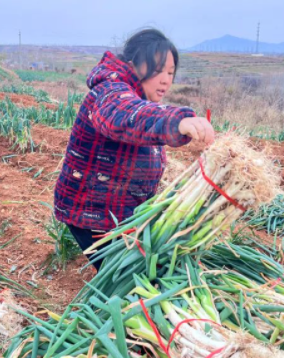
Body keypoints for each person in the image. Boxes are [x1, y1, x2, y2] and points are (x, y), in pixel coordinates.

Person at [54, 28, 215, 270]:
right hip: (94, 215)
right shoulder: (110, 92)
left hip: (119, 213)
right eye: (158, 70)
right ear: (133, 64)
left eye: (170, 73)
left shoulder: (139, 98)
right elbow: (125, 115)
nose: (165, 80)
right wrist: (177, 121)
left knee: (148, 272)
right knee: (129, 281)